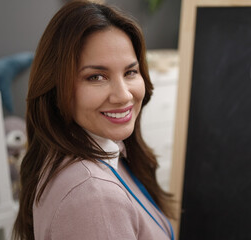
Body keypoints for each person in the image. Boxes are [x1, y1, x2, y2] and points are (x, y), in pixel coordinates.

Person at [12, 1, 174, 239]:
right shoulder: (93, 196)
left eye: (130, 72)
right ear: (56, 88)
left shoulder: (104, 150)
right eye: (96, 76)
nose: (124, 95)